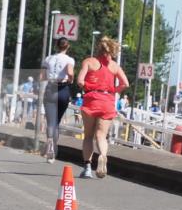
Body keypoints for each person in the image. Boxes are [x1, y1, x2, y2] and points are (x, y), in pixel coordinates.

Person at [76, 36, 129, 179]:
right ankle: (103, 156)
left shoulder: (89, 62)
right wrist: (113, 90)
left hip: (91, 100)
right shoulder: (115, 66)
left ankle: (87, 167)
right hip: (107, 101)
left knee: (88, 136)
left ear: (98, 49)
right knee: (101, 135)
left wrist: (88, 86)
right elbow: (125, 83)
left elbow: (80, 81)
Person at [40, 37, 75, 163]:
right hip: (63, 89)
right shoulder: (69, 59)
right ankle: (54, 147)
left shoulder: (48, 59)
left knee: (51, 121)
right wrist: (71, 80)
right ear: (67, 46)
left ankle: (50, 145)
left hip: (51, 88)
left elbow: (42, 76)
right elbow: (70, 73)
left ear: (56, 45)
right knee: (56, 122)